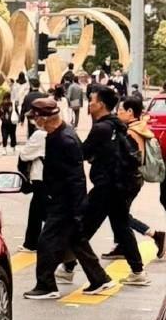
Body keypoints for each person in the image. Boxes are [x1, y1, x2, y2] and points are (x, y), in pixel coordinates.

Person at [24, 98, 112, 300]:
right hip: (61, 199)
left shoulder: (65, 139)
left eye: (35, 117)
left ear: (44, 118)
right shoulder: (57, 135)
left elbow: (76, 178)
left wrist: (76, 209)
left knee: (46, 242)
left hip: (66, 202)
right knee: (76, 241)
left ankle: (46, 285)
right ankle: (100, 279)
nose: (33, 121)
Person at [79, 85, 148, 286]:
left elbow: (83, 152)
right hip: (119, 184)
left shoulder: (101, 128)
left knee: (82, 228)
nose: (89, 104)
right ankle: (138, 271)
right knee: (121, 225)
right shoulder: (117, 124)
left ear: (100, 104)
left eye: (92, 100)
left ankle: (70, 268)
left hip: (106, 186)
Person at [103, 95, 166, 260]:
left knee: (119, 214)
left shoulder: (132, 131)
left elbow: (130, 158)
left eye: (121, 110)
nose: (118, 113)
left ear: (130, 112)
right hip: (135, 178)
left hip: (129, 179)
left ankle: (155, 235)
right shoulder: (141, 126)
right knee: (119, 213)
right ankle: (121, 245)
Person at [17, 122, 47, 251]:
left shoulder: (39, 134)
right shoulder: (65, 131)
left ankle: (32, 243)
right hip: (55, 177)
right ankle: (31, 242)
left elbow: (24, 155)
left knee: (42, 211)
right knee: (37, 210)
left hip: (41, 177)